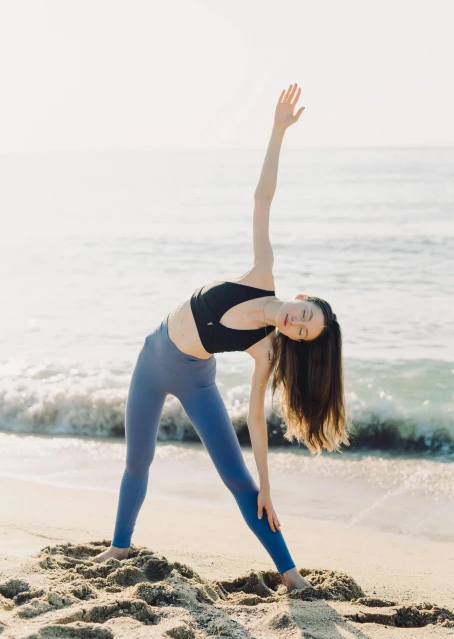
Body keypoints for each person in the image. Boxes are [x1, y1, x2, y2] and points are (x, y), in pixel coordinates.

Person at [94, 83, 351, 591]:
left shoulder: (264, 349)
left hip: (196, 380)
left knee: (240, 482)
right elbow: (263, 197)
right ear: (300, 297)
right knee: (137, 460)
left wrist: (269, 488)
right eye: (304, 315)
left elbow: (255, 418)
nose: (296, 325)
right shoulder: (261, 272)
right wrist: (277, 133)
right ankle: (118, 547)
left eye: (303, 332)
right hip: (152, 359)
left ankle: (292, 576)